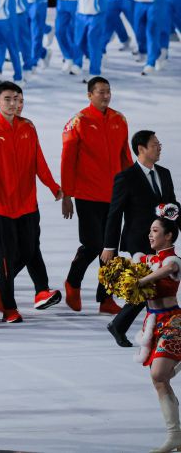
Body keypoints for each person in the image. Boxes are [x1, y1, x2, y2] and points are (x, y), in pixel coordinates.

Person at [0, 82, 62, 323]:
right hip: (1, 207)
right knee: (6, 257)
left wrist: (53, 186)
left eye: (16, 99)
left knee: (30, 249)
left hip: (28, 204)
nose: (13, 104)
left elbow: (39, 161)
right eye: (7, 99)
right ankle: (9, 308)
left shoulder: (28, 127)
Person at [61, 77, 132, 313]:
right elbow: (67, 160)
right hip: (87, 194)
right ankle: (73, 282)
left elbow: (125, 157)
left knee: (111, 248)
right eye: (101, 92)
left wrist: (134, 188)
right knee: (93, 245)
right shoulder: (78, 121)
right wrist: (67, 195)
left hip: (115, 195)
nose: (106, 96)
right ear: (89, 95)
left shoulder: (119, 119)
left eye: (108, 91)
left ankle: (106, 299)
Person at [104, 130, 177, 347]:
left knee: (152, 286)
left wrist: (174, 212)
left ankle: (121, 325)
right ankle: (136, 328)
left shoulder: (164, 173)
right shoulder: (126, 177)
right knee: (150, 284)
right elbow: (115, 214)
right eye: (154, 145)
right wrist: (109, 246)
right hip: (138, 241)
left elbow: (172, 205)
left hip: (161, 240)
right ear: (141, 149)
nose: (159, 148)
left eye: (159, 144)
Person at [133, 212, 181, 453]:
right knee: (159, 380)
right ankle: (175, 437)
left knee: (159, 373)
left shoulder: (173, 260)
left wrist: (142, 281)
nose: (150, 235)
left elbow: (169, 268)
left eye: (155, 231)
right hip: (153, 322)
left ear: (168, 235)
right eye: (150, 231)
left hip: (173, 322)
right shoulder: (146, 261)